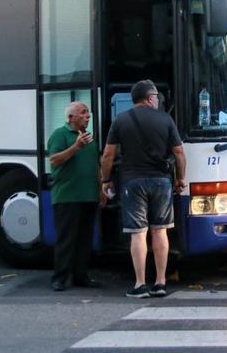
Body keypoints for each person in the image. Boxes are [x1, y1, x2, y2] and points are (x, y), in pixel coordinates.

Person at [101, 80, 186, 299]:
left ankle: (140, 284)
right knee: (160, 230)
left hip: (132, 182)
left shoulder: (121, 120)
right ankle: (160, 282)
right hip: (161, 182)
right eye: (156, 96)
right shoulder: (166, 119)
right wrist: (180, 178)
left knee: (138, 234)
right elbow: (178, 152)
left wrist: (106, 180)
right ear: (149, 98)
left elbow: (108, 154)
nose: (158, 100)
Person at [47, 101, 102, 292]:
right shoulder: (59, 134)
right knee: (66, 239)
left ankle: (81, 275)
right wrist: (76, 147)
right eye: (83, 113)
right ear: (71, 118)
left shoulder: (90, 139)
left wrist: (101, 189)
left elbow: (97, 166)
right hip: (67, 196)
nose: (88, 116)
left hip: (88, 195)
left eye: (88, 113)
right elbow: (54, 160)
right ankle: (60, 278)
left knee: (84, 239)